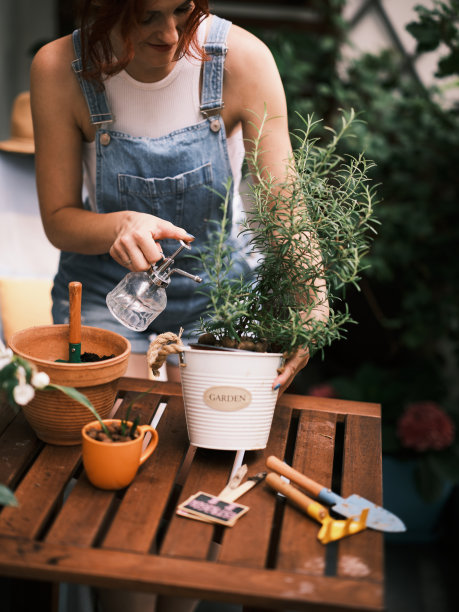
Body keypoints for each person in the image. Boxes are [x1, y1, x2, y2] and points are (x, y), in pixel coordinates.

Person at [30, 0, 317, 395]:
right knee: (107, 419)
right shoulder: (59, 68)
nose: (169, 34)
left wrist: (311, 300)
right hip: (106, 288)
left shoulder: (243, 60)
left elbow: (283, 199)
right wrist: (122, 224)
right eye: (145, 16)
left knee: (216, 426)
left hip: (217, 290)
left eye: (183, 9)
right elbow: (59, 220)